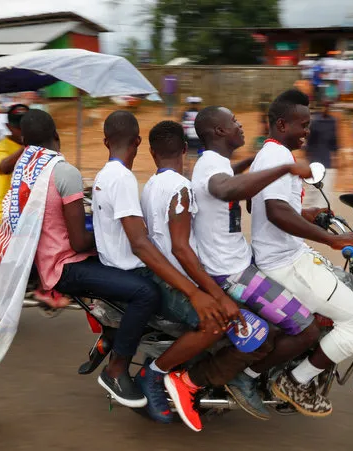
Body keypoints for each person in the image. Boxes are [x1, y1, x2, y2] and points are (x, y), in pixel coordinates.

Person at [164, 105, 322, 427]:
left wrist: (252, 163)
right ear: (220, 132)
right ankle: (212, 379)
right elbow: (223, 188)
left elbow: (230, 177)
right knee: (305, 328)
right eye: (234, 121)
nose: (240, 124)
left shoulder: (216, 161)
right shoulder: (210, 166)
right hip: (231, 272)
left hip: (239, 261)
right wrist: (284, 170)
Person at [92, 111, 244, 430]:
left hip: (161, 276)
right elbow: (180, 249)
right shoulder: (180, 190)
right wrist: (208, 294)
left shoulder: (150, 185)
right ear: (185, 150)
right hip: (173, 281)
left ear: (151, 151)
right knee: (216, 324)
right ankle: (156, 373)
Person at [16, 110, 161, 409]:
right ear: (56, 137)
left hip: (49, 261)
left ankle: (111, 335)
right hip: (66, 266)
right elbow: (79, 241)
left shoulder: (28, 170)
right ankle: (116, 370)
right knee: (145, 292)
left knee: (127, 277)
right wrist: (111, 235)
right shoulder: (64, 171)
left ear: (23, 141)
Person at [250, 89, 353, 417]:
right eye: (302, 125)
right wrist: (332, 240)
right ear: (281, 124)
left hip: (287, 255)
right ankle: (296, 381)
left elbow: (267, 208)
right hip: (286, 263)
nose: (307, 131)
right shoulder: (277, 157)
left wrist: (310, 214)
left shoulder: (272, 155)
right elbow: (276, 212)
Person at [0, 104, 29, 223]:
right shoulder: (0, 148)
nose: (24, 130)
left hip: (30, 211)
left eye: (27, 126)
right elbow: (4, 168)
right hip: (6, 213)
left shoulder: (37, 147)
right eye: (19, 127)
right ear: (9, 127)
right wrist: (26, 146)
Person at [304, 99, 339, 205]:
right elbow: (309, 142)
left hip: (326, 160)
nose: (326, 109)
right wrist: (307, 157)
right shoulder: (314, 122)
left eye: (328, 107)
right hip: (315, 160)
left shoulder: (332, 121)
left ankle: (321, 214)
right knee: (312, 190)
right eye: (324, 106)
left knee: (325, 191)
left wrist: (336, 158)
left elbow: (334, 141)